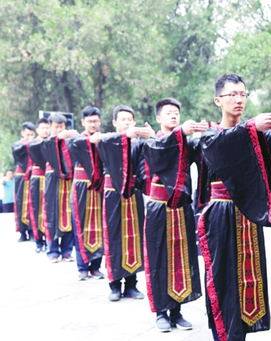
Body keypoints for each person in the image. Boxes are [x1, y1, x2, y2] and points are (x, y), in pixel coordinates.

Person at [198, 73, 271, 341]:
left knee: (248, 276)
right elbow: (224, 145)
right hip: (220, 216)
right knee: (222, 277)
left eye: (243, 94)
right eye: (232, 94)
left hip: (249, 215)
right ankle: (223, 335)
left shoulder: (256, 135)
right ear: (218, 100)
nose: (239, 99)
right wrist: (253, 126)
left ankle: (240, 333)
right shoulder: (211, 135)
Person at [143, 98, 207, 332]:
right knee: (159, 258)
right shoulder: (151, 141)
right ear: (158, 118)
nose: (173, 116)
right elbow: (159, 153)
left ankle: (177, 310)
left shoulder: (185, 142)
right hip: (159, 208)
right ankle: (161, 311)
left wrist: (207, 133)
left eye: (177, 113)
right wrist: (181, 132)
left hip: (181, 208)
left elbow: (203, 155)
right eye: (168, 113)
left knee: (182, 257)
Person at [96, 105, 153, 302]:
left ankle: (131, 283)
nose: (127, 122)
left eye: (130, 119)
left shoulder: (137, 143)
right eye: (123, 119)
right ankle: (114, 284)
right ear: (114, 122)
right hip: (112, 194)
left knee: (134, 236)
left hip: (133, 194)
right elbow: (102, 144)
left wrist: (149, 138)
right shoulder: (108, 140)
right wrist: (125, 136)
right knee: (113, 237)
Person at [70, 106, 106, 280]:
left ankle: (96, 267)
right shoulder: (78, 139)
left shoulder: (104, 139)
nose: (93, 124)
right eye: (89, 121)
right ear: (83, 122)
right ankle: (82, 267)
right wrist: (92, 141)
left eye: (95, 121)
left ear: (100, 121)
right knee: (80, 224)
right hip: (81, 187)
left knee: (99, 224)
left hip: (99, 186)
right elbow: (74, 145)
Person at [39, 113, 79, 262]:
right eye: (56, 126)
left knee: (68, 211)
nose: (59, 129)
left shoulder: (69, 140)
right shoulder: (47, 142)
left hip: (68, 181)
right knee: (52, 212)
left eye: (61, 126)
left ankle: (67, 251)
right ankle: (53, 251)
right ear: (51, 127)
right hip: (52, 180)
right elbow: (46, 149)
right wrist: (58, 137)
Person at [28, 117, 51, 253]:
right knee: (36, 209)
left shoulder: (51, 142)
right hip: (37, 177)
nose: (45, 130)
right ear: (37, 130)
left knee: (49, 209)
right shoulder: (33, 144)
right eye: (42, 128)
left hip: (49, 178)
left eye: (47, 127)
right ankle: (38, 241)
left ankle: (49, 240)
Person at [12, 122, 36, 241]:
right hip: (22, 176)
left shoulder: (36, 143)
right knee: (21, 202)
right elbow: (18, 154)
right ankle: (22, 232)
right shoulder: (17, 145)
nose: (30, 137)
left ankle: (32, 230)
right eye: (27, 134)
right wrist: (29, 143)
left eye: (32, 134)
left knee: (33, 203)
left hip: (34, 176)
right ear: (22, 133)